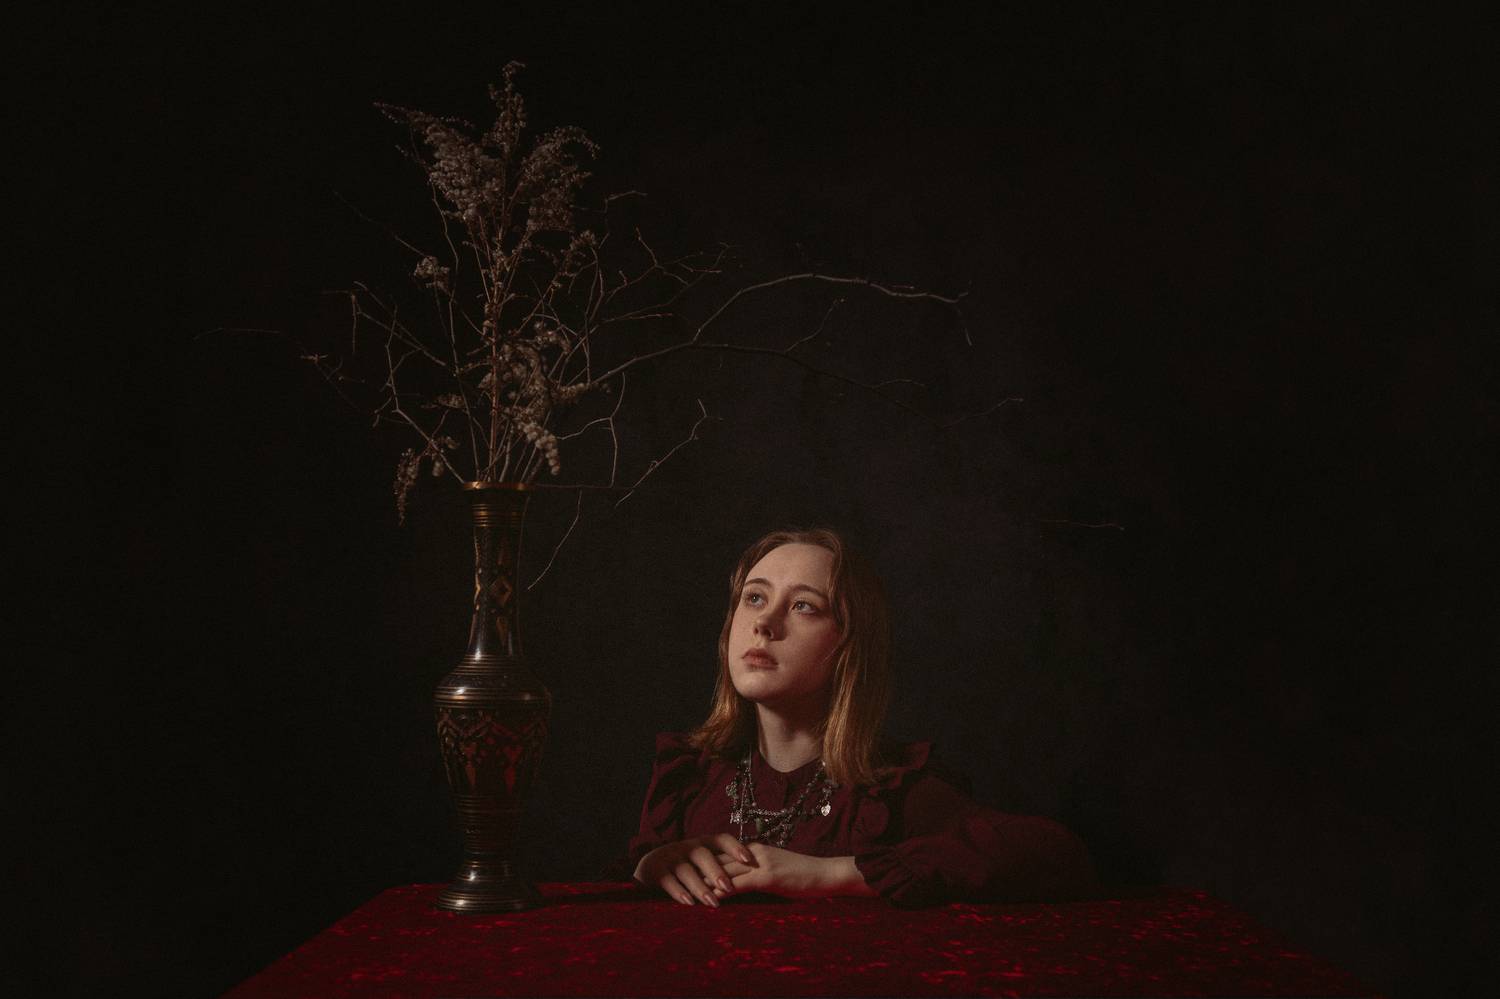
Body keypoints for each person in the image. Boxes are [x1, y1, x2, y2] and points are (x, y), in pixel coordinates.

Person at [612, 527, 1098, 908]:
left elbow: (1057, 855)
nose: (764, 623)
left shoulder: (888, 792)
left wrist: (834, 874)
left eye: (804, 606)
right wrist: (651, 865)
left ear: (849, 647)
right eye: (754, 597)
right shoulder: (690, 779)